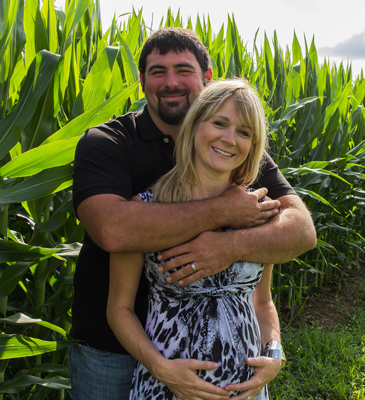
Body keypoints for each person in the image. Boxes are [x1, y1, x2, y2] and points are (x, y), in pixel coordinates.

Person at [69, 27, 316, 399]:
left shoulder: (243, 162)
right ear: (141, 81)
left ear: (206, 78)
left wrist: (274, 349)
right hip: (119, 356)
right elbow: (114, 231)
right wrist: (222, 211)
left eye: (183, 70)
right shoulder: (109, 143)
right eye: (157, 71)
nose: (171, 82)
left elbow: (296, 238)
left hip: (240, 380)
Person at [108, 78, 282, 400]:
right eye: (220, 123)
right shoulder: (146, 210)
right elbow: (119, 309)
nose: (230, 139)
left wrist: (273, 352)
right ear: (194, 125)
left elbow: (262, 301)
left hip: (245, 391)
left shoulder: (258, 214)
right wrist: (160, 368)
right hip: (166, 388)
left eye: (244, 132)